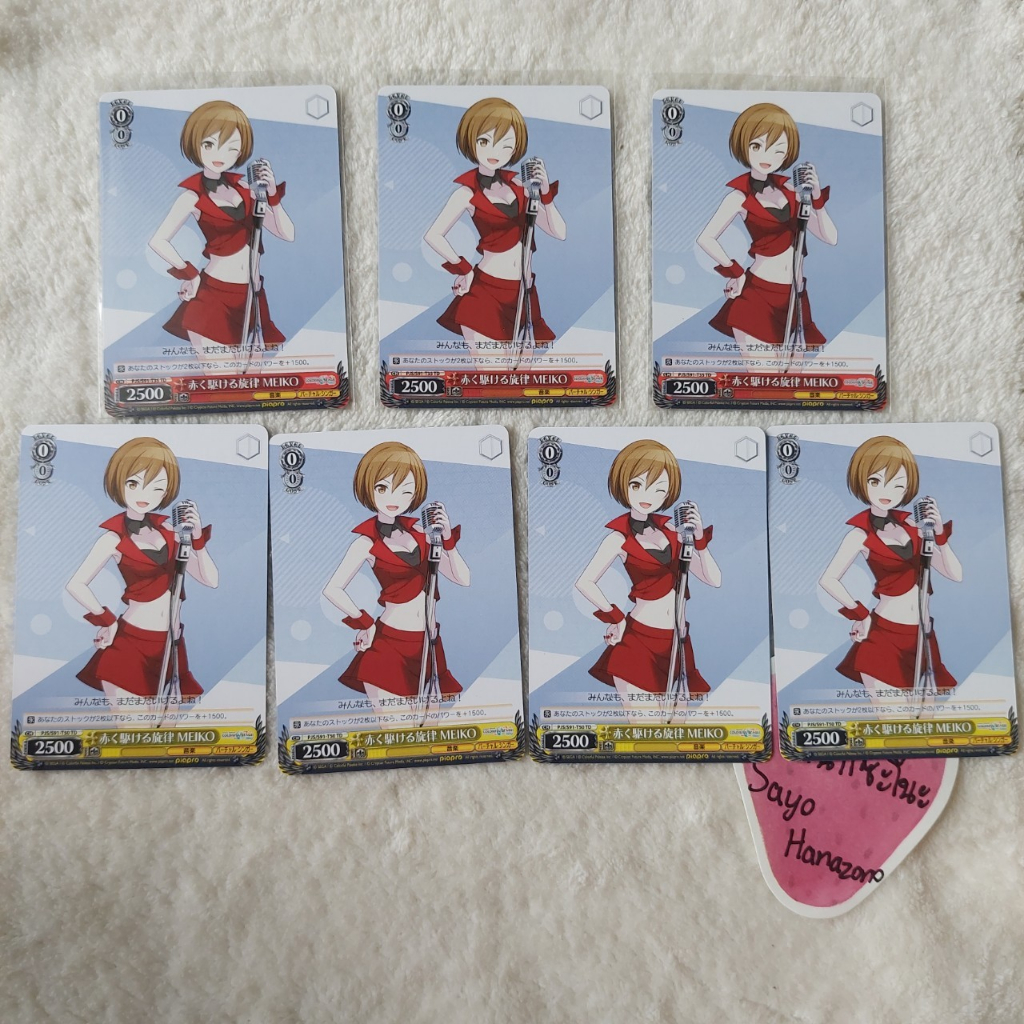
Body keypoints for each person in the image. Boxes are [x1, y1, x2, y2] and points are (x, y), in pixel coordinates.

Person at [67, 437, 217, 717]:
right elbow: (76, 584)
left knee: (168, 734)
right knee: (134, 731)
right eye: (134, 483)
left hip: (172, 646)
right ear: (119, 482)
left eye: (157, 486)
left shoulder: (171, 532)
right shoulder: (113, 539)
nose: (145, 494)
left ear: (166, 491)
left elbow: (210, 580)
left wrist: (197, 541)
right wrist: (107, 620)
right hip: (130, 645)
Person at [575, 439, 721, 723]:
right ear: (623, 484)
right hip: (638, 642)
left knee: (676, 733)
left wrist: (699, 540)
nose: (647, 495)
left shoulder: (675, 532)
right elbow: (585, 582)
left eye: (659, 488)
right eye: (637, 484)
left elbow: (713, 579)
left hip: (677, 642)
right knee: (648, 732)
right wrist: (616, 618)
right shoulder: (618, 538)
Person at [323, 442, 471, 719]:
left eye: (405, 489)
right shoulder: (365, 543)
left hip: (429, 644)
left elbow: (462, 579)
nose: (394, 497)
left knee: (429, 735)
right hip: (389, 646)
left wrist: (448, 540)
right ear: (368, 488)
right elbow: (333, 589)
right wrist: (365, 623)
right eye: (383, 487)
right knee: (397, 731)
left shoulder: (423, 532)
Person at [819, 435, 961, 714]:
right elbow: (828, 579)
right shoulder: (859, 535)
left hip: (923, 637)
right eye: (876, 481)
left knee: (926, 725)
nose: (887, 491)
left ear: (908, 487)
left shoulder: (915, 527)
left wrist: (940, 536)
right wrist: (861, 615)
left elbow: (954, 574)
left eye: (898, 483)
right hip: (884, 637)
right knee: (894, 722)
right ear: (862, 481)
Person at [424, 97, 566, 367]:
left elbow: (559, 232)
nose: (495, 151)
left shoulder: (522, 187)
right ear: (471, 141)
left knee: (521, 381)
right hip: (486, 294)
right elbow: (433, 235)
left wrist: (546, 195)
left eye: (506, 144)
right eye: (485, 141)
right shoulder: (466, 193)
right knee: (494, 379)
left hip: (524, 294)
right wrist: (464, 269)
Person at [149, 100, 294, 364]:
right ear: (195, 144)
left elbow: (287, 234)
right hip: (213, 298)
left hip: (252, 297)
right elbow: (158, 240)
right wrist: (190, 274)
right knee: (222, 378)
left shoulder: (248, 190)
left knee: (252, 382)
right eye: (209, 144)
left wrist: (273, 197)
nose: (220, 154)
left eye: (231, 147)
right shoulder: (191, 197)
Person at [696, 102, 837, 366]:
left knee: (792, 383)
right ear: (744, 145)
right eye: (757, 146)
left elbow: (830, 237)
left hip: (796, 298)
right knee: (765, 379)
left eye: (778, 149)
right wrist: (736, 272)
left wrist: (817, 200)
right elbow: (706, 238)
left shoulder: (793, 192)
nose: (767, 156)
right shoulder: (739, 197)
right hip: (758, 297)